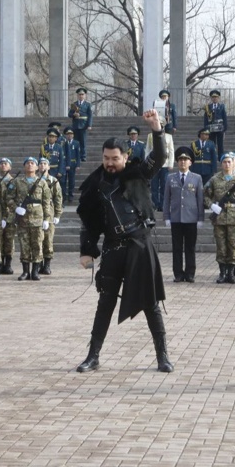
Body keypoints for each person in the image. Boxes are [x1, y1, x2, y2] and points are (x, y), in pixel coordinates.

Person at [76, 109, 173, 373]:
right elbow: (89, 221)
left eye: (115, 158)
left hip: (139, 245)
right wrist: (87, 250)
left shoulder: (137, 173)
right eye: (106, 158)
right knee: (105, 303)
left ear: (125, 157)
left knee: (151, 303)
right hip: (113, 248)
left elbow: (160, 157)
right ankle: (92, 356)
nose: (110, 163)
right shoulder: (95, 184)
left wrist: (157, 130)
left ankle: (162, 356)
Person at [204, 152, 235, 284]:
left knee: (233, 245)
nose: (227, 164)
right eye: (224, 162)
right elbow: (205, 195)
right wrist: (212, 206)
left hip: (234, 216)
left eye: (229, 162)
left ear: (233, 162)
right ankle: (222, 272)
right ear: (221, 163)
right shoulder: (215, 179)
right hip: (220, 217)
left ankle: (231, 273)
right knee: (221, 245)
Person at [6, 157, 51, 281]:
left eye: (32, 163)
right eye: (27, 163)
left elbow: (46, 202)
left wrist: (47, 218)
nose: (30, 165)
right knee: (24, 245)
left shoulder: (42, 182)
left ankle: (35, 271)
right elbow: (9, 198)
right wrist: (15, 208)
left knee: (37, 245)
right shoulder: (17, 182)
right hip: (23, 219)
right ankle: (25, 272)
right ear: (24, 166)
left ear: (37, 167)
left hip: (38, 218)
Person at [163, 146, 204, 283]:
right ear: (177, 162)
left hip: (191, 218)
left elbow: (200, 199)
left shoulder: (197, 178)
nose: (182, 162)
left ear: (190, 162)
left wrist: (200, 218)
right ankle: (178, 274)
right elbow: (166, 199)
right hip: (176, 218)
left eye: (185, 159)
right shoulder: (171, 178)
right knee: (177, 247)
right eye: (180, 159)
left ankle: (190, 273)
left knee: (190, 247)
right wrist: (166, 217)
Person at [39, 157, 63, 275]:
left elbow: (58, 198)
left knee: (48, 240)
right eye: (41, 164)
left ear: (48, 167)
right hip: (36, 213)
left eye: (45, 164)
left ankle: (47, 265)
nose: (42, 166)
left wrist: (58, 214)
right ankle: (38, 264)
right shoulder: (34, 179)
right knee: (37, 240)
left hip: (49, 212)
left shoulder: (53, 180)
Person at [145, 119, 175, 212]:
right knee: (154, 186)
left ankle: (163, 205)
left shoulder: (169, 136)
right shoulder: (150, 136)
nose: (160, 127)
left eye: (161, 125)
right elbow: (148, 149)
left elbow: (171, 150)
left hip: (165, 164)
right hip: (154, 164)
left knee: (164, 185)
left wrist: (171, 163)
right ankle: (155, 204)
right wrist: (147, 163)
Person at [0, 158, 16, 274]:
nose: (3, 166)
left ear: (10, 167)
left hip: (10, 214)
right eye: (1, 164)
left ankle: (8, 264)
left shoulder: (14, 181)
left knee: (9, 240)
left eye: (6, 164)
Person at [68, 87, 93, 162]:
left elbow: (90, 115)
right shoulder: (74, 104)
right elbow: (69, 114)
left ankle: (83, 156)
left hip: (83, 125)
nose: (81, 96)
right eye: (79, 94)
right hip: (75, 125)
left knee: (83, 142)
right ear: (77, 95)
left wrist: (89, 125)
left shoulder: (87, 105)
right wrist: (74, 114)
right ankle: (75, 156)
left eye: (82, 94)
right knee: (75, 142)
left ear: (85, 95)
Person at [203, 90, 228, 157]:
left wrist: (225, 128)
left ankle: (220, 157)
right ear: (211, 98)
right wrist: (205, 128)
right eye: (213, 97)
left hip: (220, 128)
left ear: (218, 98)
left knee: (220, 144)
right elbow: (205, 118)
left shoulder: (222, 106)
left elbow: (224, 117)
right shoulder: (208, 107)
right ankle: (212, 157)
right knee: (211, 143)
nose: (215, 98)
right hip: (211, 128)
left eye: (216, 97)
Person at [61, 127, 81, 203]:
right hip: (64, 163)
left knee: (71, 181)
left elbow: (78, 155)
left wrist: (78, 165)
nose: (69, 136)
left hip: (73, 164)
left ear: (73, 135)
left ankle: (70, 195)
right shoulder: (63, 143)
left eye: (71, 134)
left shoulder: (76, 143)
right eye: (68, 134)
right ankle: (64, 195)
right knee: (63, 181)